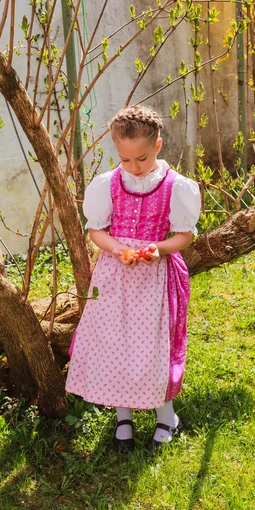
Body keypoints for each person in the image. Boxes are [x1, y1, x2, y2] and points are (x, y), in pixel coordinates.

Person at [65, 105, 201, 452]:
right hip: (115, 277)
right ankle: (122, 416)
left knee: (154, 347)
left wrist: (160, 248)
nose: (134, 167)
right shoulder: (108, 184)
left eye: (141, 158)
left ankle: (166, 415)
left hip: (156, 279)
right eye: (125, 160)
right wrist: (117, 249)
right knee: (115, 344)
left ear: (157, 146)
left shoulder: (175, 186)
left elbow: (185, 235)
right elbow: (97, 231)